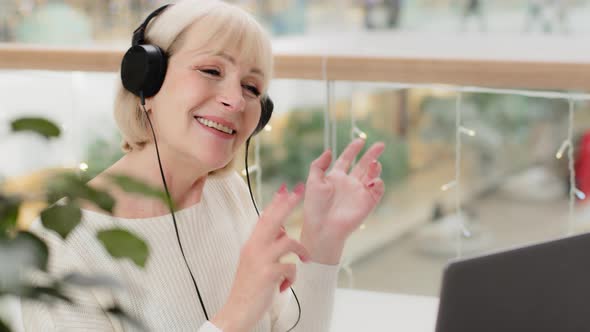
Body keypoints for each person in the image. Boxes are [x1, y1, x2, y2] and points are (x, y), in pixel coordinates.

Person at [20, 0, 386, 331]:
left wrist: (323, 241)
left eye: (252, 87)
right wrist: (234, 316)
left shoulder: (229, 193)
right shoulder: (61, 245)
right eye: (211, 70)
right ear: (146, 81)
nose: (235, 101)